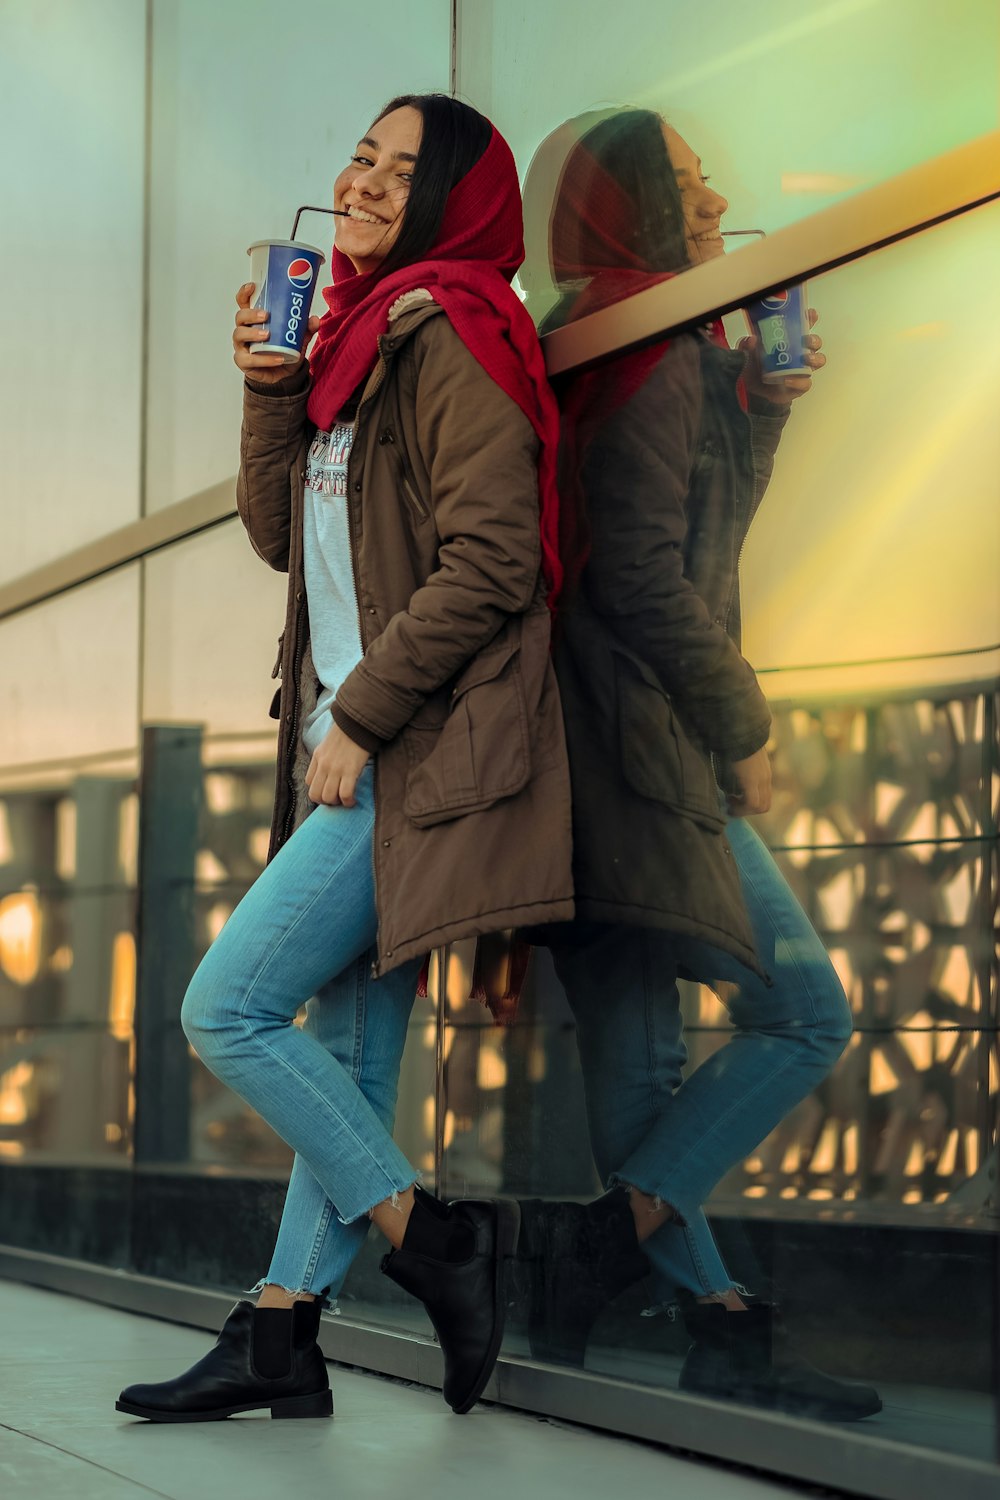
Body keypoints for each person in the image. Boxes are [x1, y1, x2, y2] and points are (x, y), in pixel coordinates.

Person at [116, 93, 573, 1424]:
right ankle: (280, 1336)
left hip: (413, 749)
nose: (366, 181)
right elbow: (282, 544)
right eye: (359, 160)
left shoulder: (457, 336)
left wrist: (364, 713)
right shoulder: (360, 342)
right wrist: (271, 395)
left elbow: (494, 559)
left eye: (401, 168)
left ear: (454, 201)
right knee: (357, 1059)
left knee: (227, 1008)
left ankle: (435, 1239)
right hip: (350, 742)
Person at [517, 108, 881, 1421]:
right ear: (642, 211)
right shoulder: (655, 354)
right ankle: (616, 1250)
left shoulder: (614, 340)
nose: (719, 191)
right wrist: (744, 721)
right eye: (688, 180)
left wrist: (766, 407)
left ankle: (712, 1316)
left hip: (586, 752)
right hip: (647, 749)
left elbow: (691, 532)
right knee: (804, 1013)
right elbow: (654, 581)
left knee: (637, 1063)